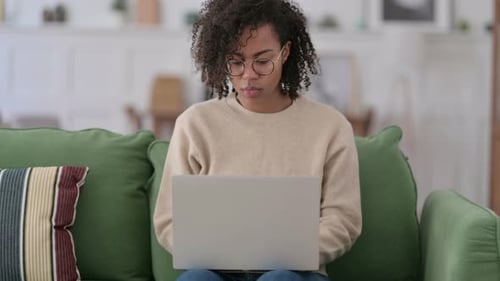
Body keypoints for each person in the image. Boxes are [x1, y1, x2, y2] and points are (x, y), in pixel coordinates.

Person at [153, 0, 362, 280]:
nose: (248, 75)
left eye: (262, 61)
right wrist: (223, 251)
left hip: (294, 271)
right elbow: (169, 220)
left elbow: (343, 220)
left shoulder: (330, 127)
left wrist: (288, 252)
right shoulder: (195, 124)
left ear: (285, 52)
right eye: (236, 62)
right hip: (215, 269)